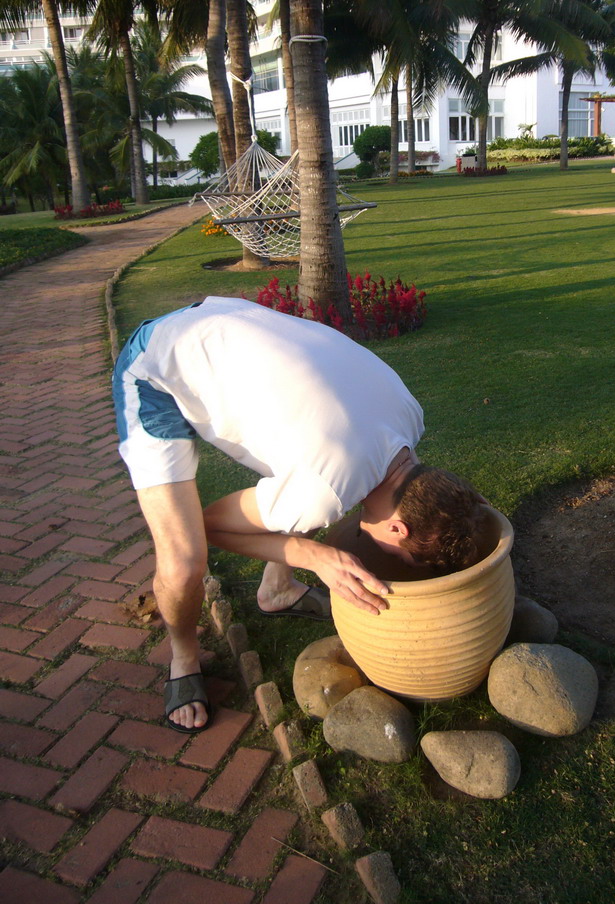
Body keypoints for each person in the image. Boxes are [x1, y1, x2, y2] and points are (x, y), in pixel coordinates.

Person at [112, 296, 485, 732]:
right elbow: (211, 523)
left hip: (224, 321)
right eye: (398, 555)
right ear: (398, 527)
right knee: (183, 562)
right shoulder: (322, 489)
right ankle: (183, 656)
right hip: (156, 367)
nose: (389, 558)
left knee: (312, 495)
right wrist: (315, 557)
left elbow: (341, 480)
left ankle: (276, 591)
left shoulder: (409, 416)